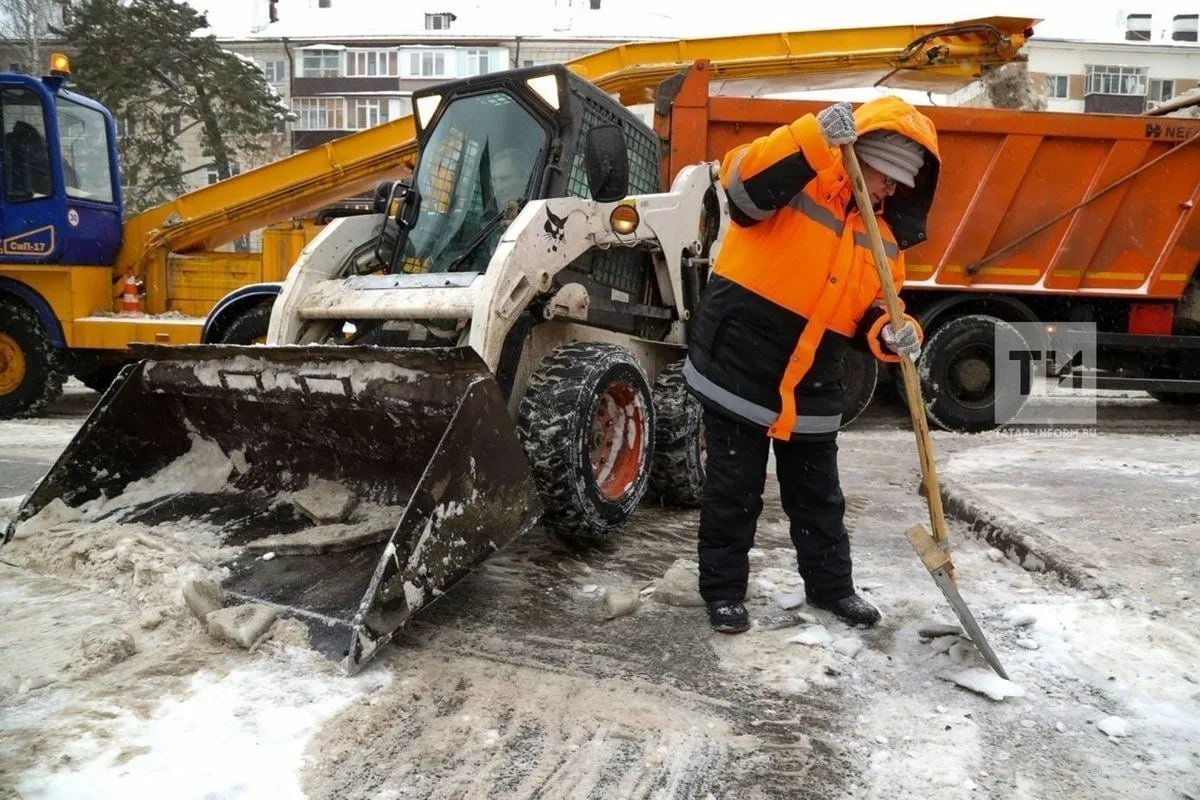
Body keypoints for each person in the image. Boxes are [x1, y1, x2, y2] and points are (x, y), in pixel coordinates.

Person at [684, 97, 940, 634]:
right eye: (887, 174)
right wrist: (812, 137)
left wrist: (896, 333)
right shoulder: (793, 182)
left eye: (901, 182)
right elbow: (741, 187)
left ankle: (831, 589)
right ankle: (724, 592)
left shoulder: (885, 242)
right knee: (734, 490)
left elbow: (875, 310)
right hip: (743, 363)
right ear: (855, 154)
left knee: (819, 498)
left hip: (814, 381)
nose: (893, 189)